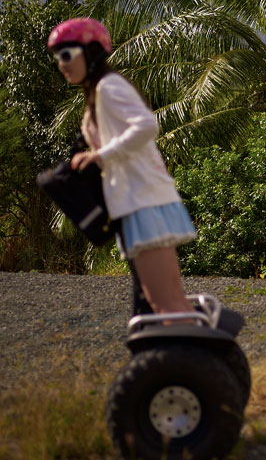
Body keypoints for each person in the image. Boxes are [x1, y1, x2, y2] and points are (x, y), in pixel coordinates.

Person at [48, 17, 195, 318]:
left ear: (90, 52)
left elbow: (145, 125)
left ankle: (190, 361)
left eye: (66, 55)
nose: (61, 64)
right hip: (138, 201)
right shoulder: (98, 91)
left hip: (142, 202)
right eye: (56, 57)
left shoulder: (108, 87)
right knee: (165, 304)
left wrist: (101, 155)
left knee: (166, 306)